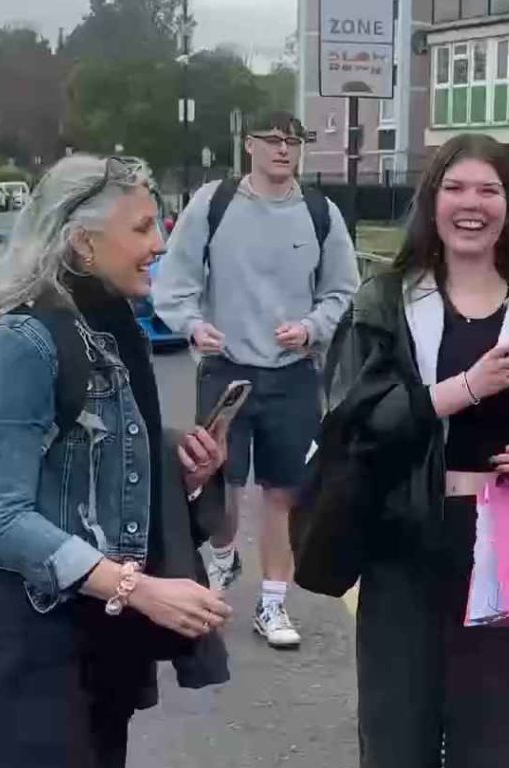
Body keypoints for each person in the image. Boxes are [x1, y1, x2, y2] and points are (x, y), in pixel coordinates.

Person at [315, 133, 509, 768]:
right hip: (402, 541)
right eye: (456, 188)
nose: (472, 204)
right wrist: (468, 388)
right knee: (396, 739)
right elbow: (355, 426)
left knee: (492, 744)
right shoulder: (386, 302)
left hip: (503, 551)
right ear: (432, 201)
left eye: (489, 190)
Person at [0, 154, 232, 768]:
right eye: (143, 228)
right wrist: (139, 588)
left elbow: (85, 459)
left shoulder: (107, 325)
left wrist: (175, 463)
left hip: (95, 631)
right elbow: (2, 518)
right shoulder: (18, 342)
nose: (160, 243)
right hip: (21, 642)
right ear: (82, 242)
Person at [153, 110, 360, 648]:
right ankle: (223, 553)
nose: (283, 150)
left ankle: (272, 607)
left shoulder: (320, 212)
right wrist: (194, 326)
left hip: (292, 376)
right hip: (226, 372)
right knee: (219, 489)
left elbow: (342, 290)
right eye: (272, 140)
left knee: (284, 495)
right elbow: (173, 282)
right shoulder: (214, 204)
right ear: (249, 145)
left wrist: (312, 327)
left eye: (293, 141)